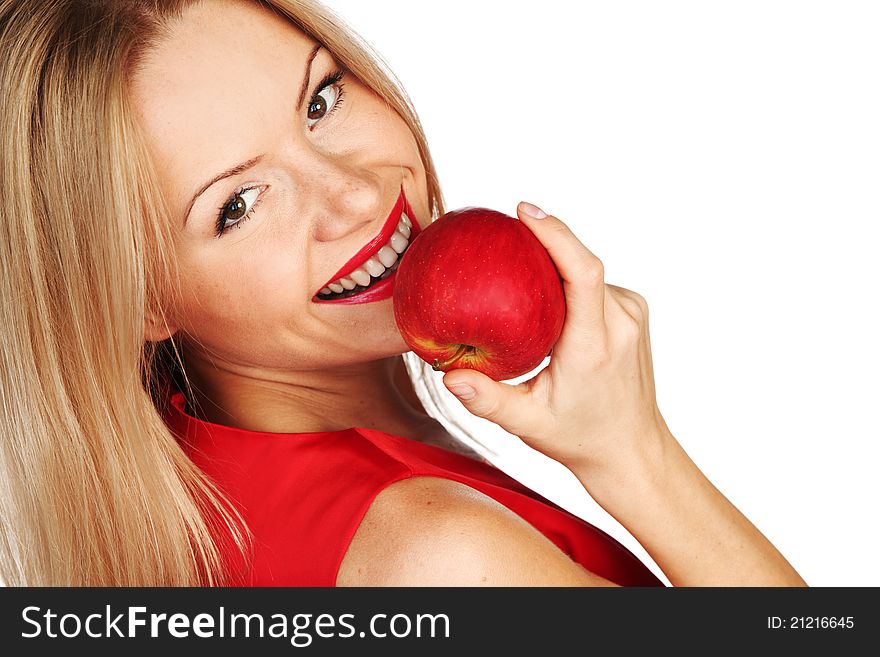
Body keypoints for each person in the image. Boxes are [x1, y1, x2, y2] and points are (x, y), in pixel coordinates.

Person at [0, 0, 806, 587]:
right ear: (140, 300)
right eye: (238, 205)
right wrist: (634, 452)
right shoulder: (437, 559)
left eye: (321, 100)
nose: (352, 194)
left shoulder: (214, 485)